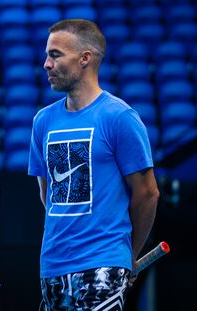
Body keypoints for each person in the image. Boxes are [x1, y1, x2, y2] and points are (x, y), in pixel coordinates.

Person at [28, 19, 160, 310]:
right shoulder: (43, 121)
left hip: (103, 263)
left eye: (55, 54)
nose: (46, 64)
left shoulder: (119, 117)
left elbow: (147, 194)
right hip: (52, 265)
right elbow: (46, 195)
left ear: (85, 58)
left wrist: (127, 255)